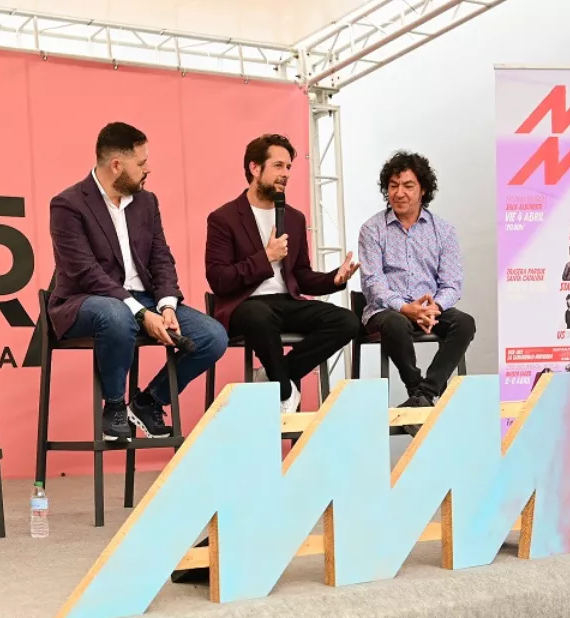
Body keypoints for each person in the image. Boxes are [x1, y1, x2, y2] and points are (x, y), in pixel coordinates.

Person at [48, 122, 228, 440]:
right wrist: (141, 313)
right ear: (117, 165)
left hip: (145, 300)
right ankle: (114, 406)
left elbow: (161, 259)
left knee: (212, 336)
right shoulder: (68, 205)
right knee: (117, 315)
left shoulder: (147, 202)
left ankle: (149, 402)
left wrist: (167, 305)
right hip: (85, 301)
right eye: (142, 163)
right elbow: (84, 272)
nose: (148, 169)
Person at [204, 134, 359, 413]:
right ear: (255, 168)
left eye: (288, 167)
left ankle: (274, 376)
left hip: (286, 303)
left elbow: (300, 275)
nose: (286, 173)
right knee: (258, 314)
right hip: (245, 306)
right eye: (278, 166)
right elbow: (219, 279)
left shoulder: (294, 218)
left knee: (347, 321)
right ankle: (285, 390)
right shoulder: (223, 218)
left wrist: (334, 279)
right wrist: (265, 258)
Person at [357, 151, 475, 429]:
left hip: (429, 307)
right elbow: (373, 283)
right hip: (386, 310)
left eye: (408, 186)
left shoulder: (442, 230)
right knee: (396, 323)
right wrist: (405, 307)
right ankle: (416, 390)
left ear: (423, 190)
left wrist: (434, 307)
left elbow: (452, 283)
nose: (399, 193)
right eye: (393, 186)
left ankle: (423, 396)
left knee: (464, 323)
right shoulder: (372, 229)